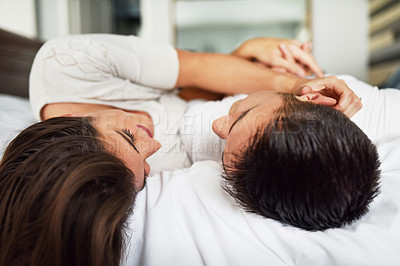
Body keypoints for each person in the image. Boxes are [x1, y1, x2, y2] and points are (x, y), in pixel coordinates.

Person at [0, 34, 361, 265]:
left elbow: (195, 70)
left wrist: (294, 84)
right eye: (146, 171)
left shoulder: (69, 65)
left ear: (72, 129)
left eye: (129, 138)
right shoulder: (108, 187)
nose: (154, 147)